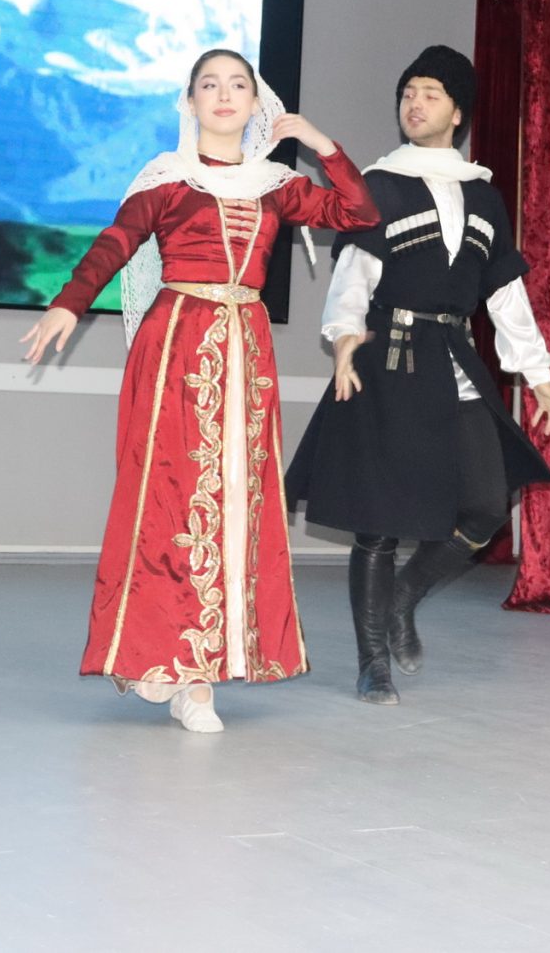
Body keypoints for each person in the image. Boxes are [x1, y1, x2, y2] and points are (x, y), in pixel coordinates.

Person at [21, 49, 379, 732]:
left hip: (245, 351)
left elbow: (358, 213)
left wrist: (318, 143)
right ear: (189, 102)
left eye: (238, 84)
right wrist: (69, 302)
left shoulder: (274, 184)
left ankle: (203, 668)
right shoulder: (168, 179)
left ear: (255, 102)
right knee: (170, 502)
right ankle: (177, 665)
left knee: (236, 504)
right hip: (177, 347)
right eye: (209, 85)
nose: (224, 95)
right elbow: (116, 242)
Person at [285, 45, 550, 705]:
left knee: (486, 504)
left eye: (430, 94)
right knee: (378, 523)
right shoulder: (380, 184)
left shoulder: (485, 196)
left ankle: (403, 598)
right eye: (407, 93)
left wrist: (539, 375)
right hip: (385, 360)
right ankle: (373, 663)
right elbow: (353, 276)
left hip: (452, 359)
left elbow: (505, 294)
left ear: (458, 112)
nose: (413, 104)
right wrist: (344, 341)